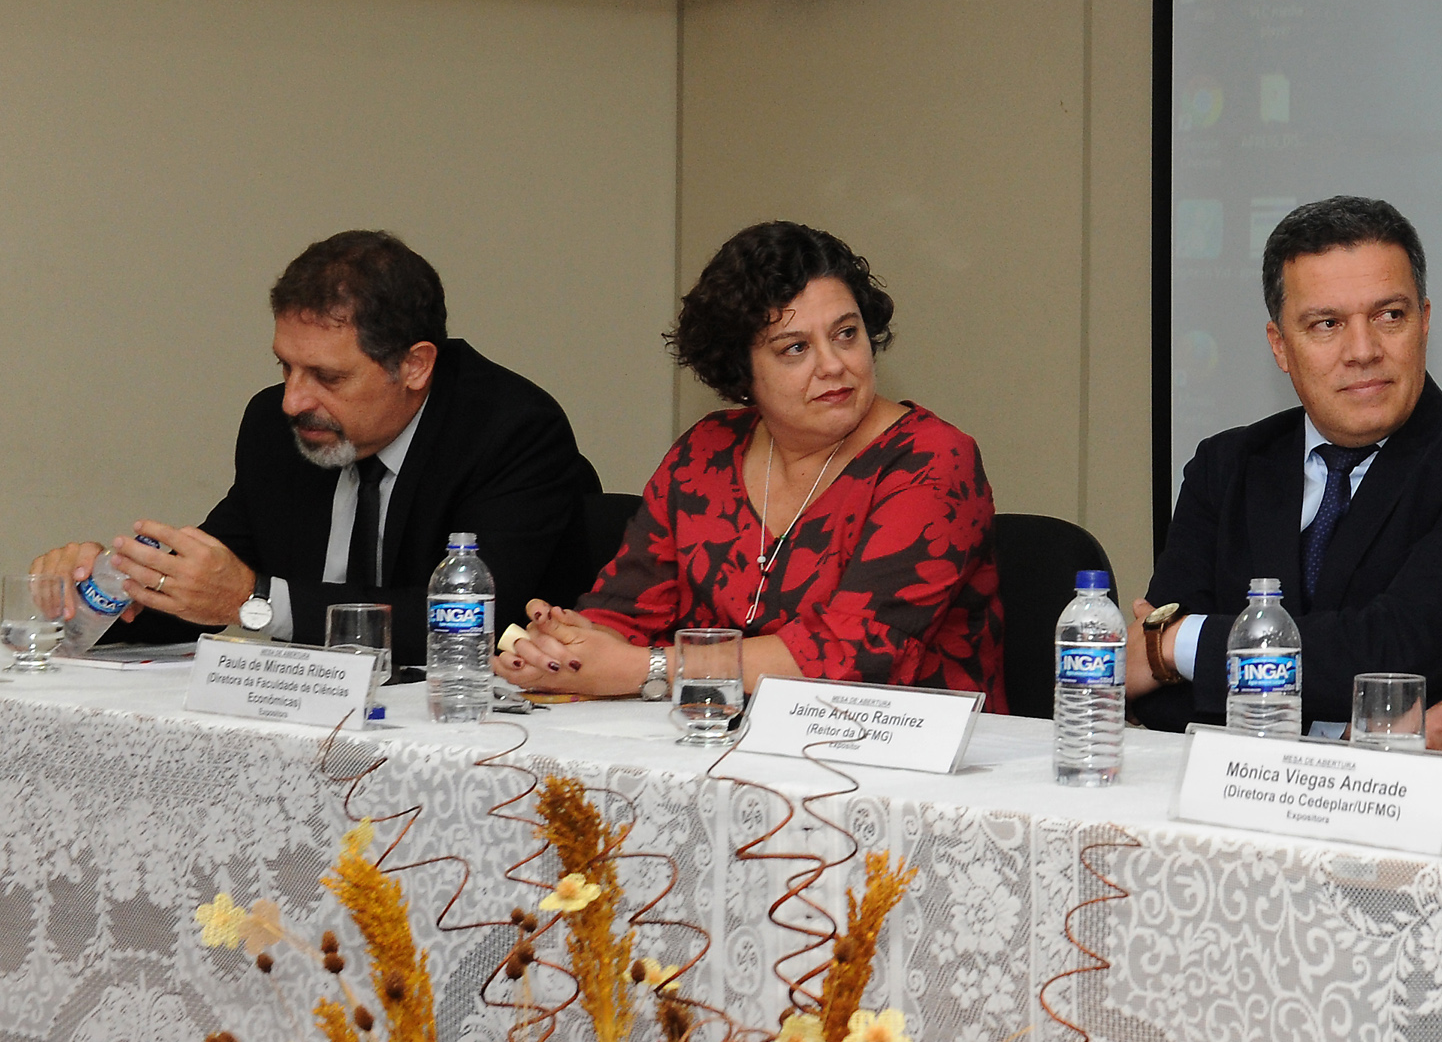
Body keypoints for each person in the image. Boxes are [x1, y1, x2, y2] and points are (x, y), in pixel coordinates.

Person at [29, 231, 599, 668]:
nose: (293, 400)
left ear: (415, 365)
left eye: (327, 376)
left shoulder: (510, 430)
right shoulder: (275, 428)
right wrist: (110, 587)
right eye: (286, 366)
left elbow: (471, 622)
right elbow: (215, 583)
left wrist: (254, 602)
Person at [1127, 196, 1442, 761]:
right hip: (1238, 818)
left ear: (1424, 322)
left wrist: (1177, 642)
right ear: (1280, 346)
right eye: (1327, 324)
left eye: (1389, 316)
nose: (1363, 351)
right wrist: (1334, 740)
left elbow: (1390, 648)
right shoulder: (1225, 467)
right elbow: (1162, 704)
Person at [498, 222, 1003, 702]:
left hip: (900, 761)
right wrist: (565, 647)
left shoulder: (931, 460)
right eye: (796, 348)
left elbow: (854, 657)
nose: (833, 365)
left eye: (846, 333)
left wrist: (641, 669)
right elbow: (627, 613)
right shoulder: (705, 452)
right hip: (720, 736)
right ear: (742, 374)